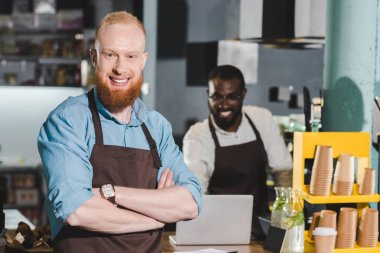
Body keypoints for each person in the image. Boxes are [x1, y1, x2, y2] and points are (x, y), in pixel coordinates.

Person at [37, 11, 202, 253]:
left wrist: (111, 194)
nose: (120, 68)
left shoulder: (157, 127)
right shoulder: (67, 120)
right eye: (110, 55)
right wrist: (155, 218)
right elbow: (77, 210)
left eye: (130, 56)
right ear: (94, 57)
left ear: (143, 60)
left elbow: (190, 203)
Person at [183, 64, 292, 217]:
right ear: (208, 94)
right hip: (217, 223)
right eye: (217, 97)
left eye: (232, 97)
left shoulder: (261, 119)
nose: (224, 105)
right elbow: (196, 192)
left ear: (243, 94)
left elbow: (283, 170)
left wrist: (284, 215)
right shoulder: (197, 136)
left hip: (260, 222)